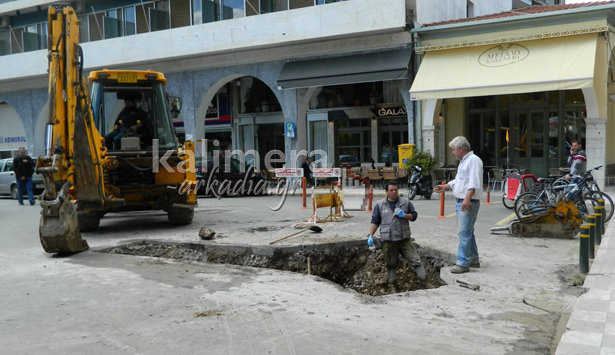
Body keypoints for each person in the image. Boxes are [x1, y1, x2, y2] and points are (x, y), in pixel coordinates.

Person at [434, 136, 483, 274]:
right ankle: (473, 259)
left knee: (464, 232)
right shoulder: (464, 161)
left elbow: (474, 182)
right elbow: (459, 180)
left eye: (454, 150)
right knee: (468, 232)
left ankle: (462, 263)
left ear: (461, 149)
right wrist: (446, 186)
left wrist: (467, 198)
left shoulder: (473, 161)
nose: (453, 152)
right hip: (464, 200)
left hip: (467, 201)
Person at [367, 181, 426, 293]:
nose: (394, 192)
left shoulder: (405, 202)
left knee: (415, 260)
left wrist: (405, 215)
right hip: (389, 241)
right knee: (391, 264)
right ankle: (394, 286)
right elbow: (375, 221)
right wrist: (370, 235)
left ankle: (425, 282)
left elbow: (414, 216)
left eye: (396, 190)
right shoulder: (380, 205)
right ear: (386, 192)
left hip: (404, 240)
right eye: (391, 190)